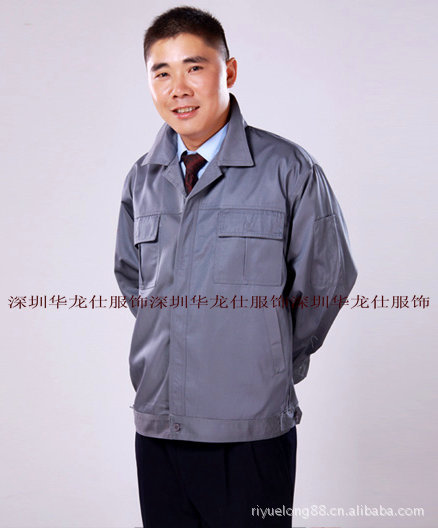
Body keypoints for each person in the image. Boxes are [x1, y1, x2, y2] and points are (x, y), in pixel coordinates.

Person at [114, 6, 358, 527]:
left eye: (194, 67)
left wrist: (268, 356)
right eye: (162, 73)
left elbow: (327, 281)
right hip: (158, 428)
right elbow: (135, 282)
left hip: (252, 434)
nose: (179, 88)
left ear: (228, 71)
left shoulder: (288, 169)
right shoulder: (143, 178)